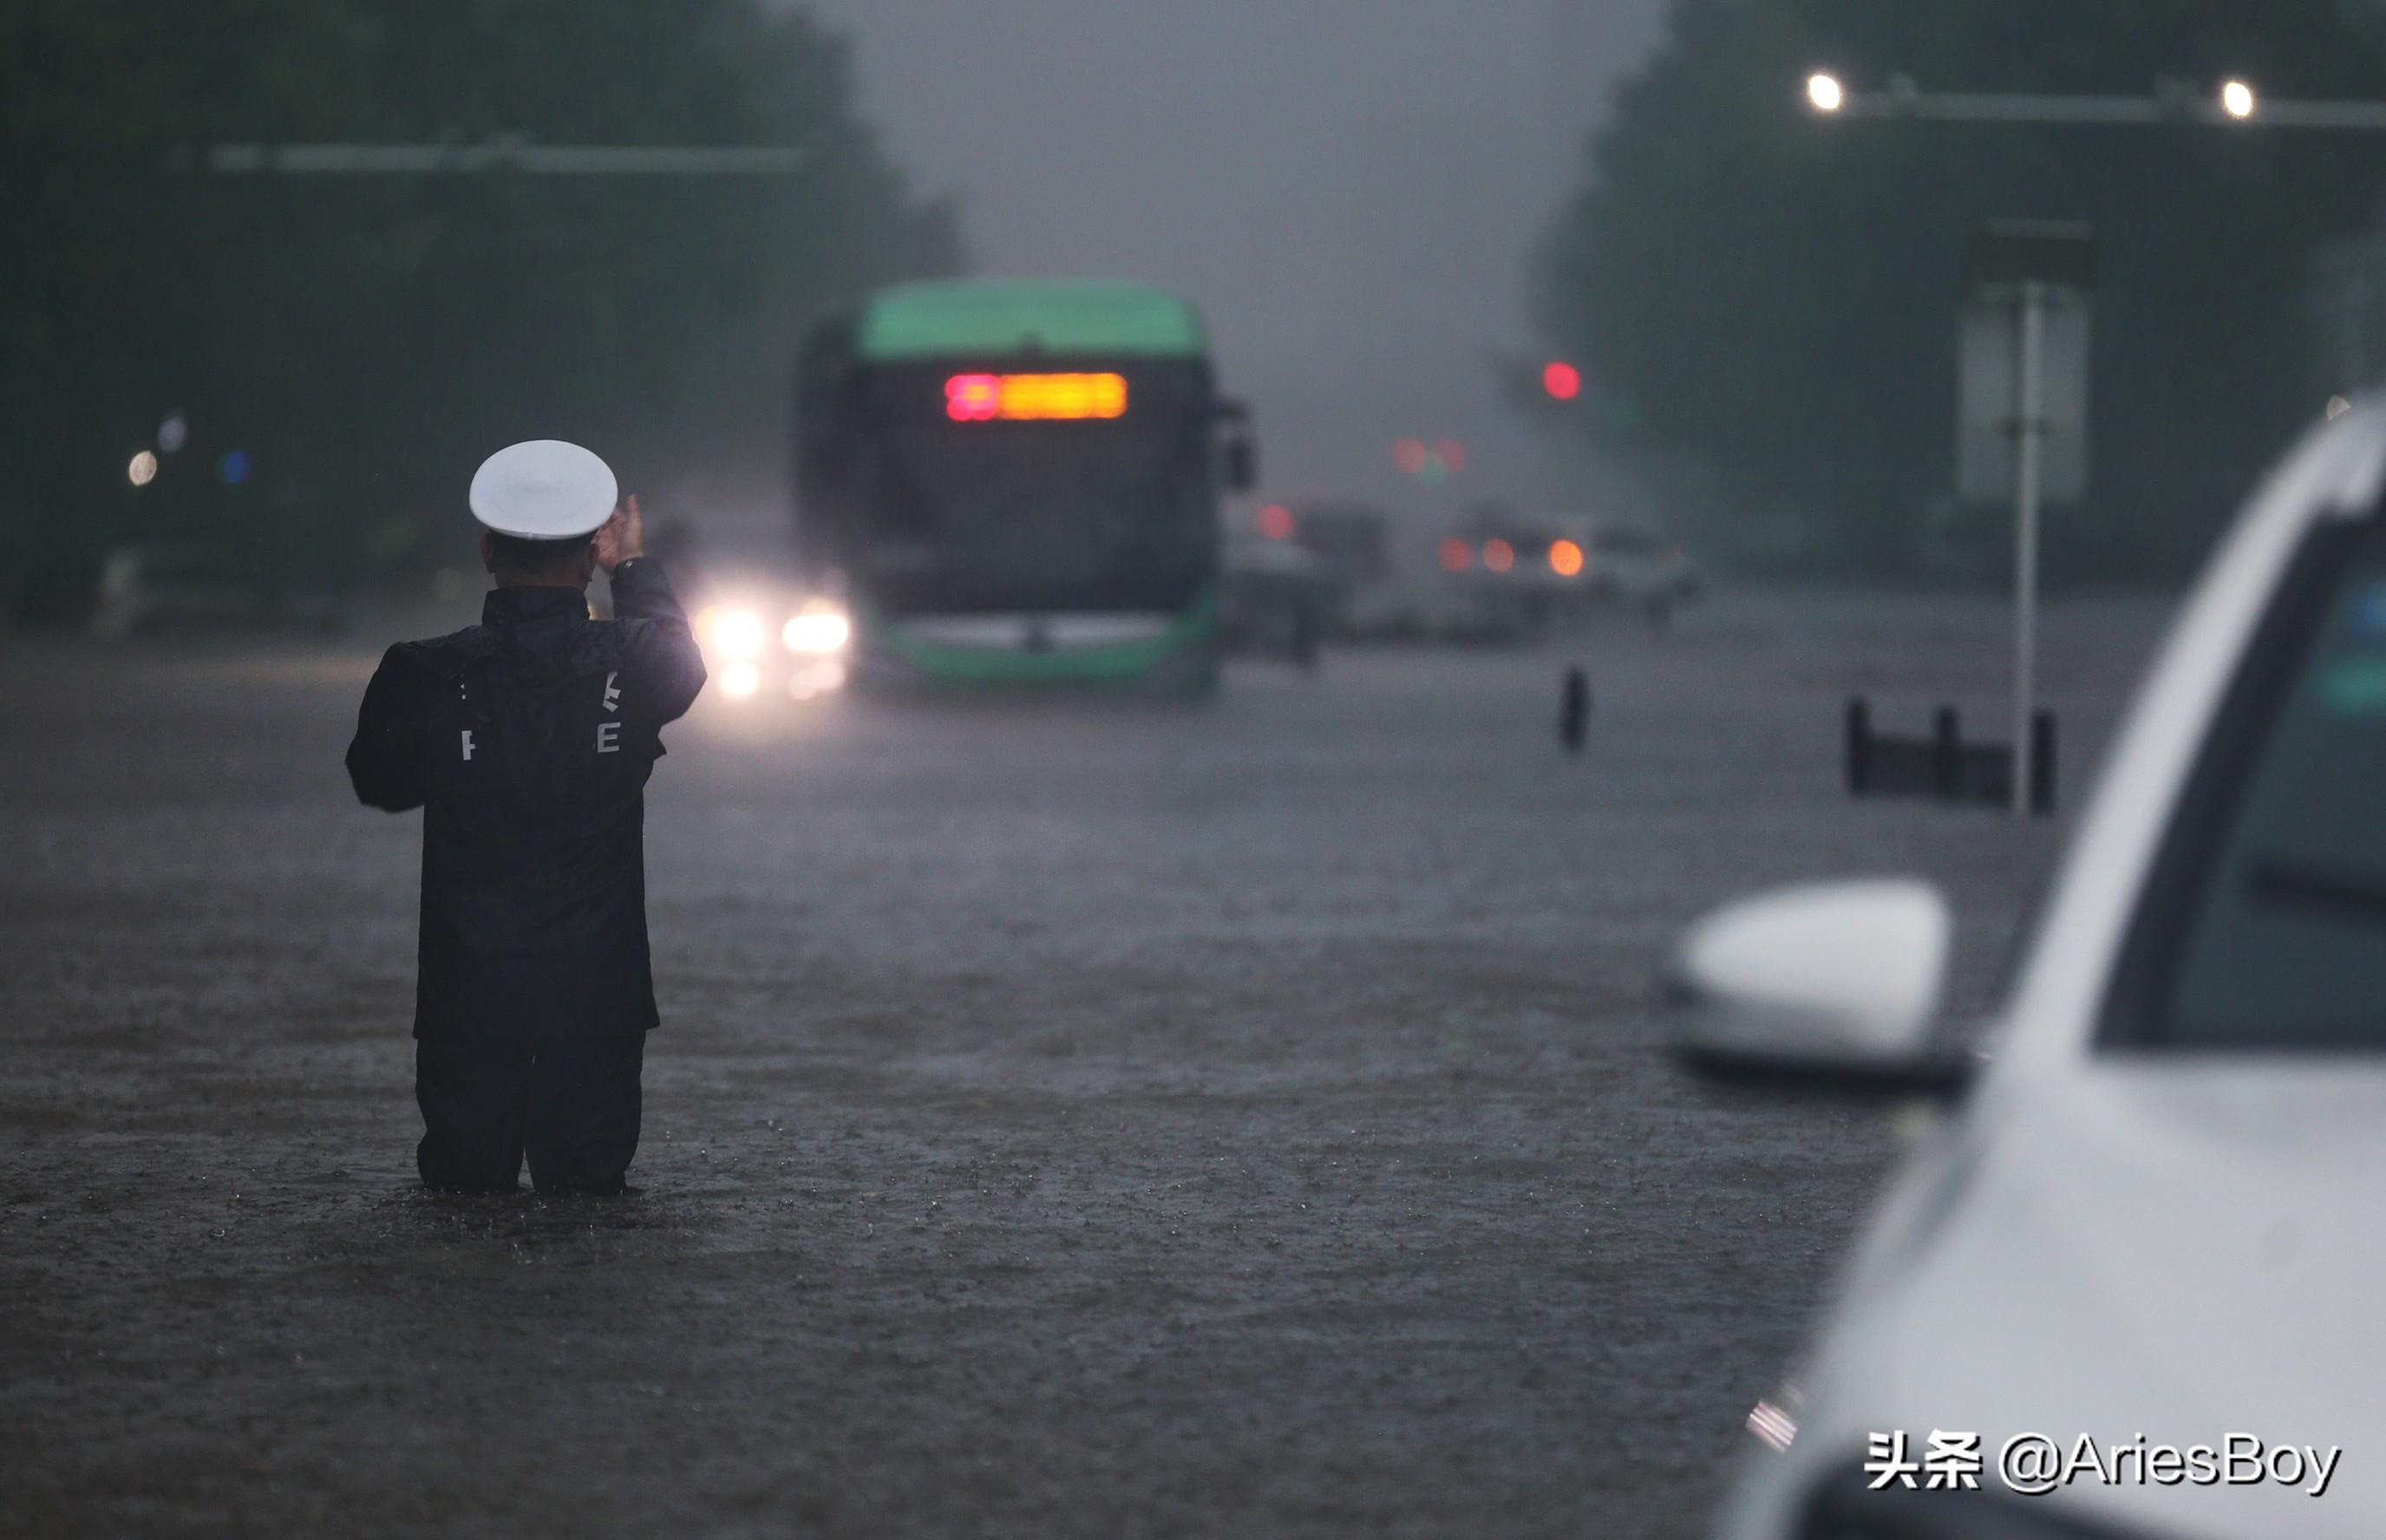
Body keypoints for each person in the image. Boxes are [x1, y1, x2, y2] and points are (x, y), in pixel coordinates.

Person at [345, 440, 706, 1195]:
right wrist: (633, 568)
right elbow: (683, 664)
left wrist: (470, 758)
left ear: (486, 553)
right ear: (590, 558)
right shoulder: (632, 659)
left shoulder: (423, 671)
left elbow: (378, 782)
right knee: (592, 1208)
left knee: (461, 1204)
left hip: (468, 991)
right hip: (598, 990)